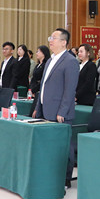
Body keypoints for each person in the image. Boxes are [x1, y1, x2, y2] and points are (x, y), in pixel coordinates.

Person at [33, 28, 79, 189]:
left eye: (54, 38)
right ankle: (50, 176)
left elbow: (70, 89)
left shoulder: (70, 61)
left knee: (63, 149)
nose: (50, 41)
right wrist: (38, 107)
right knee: (49, 147)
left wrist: (63, 111)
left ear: (64, 42)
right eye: (50, 37)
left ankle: (65, 180)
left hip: (60, 113)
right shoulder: (50, 60)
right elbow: (43, 87)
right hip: (45, 109)